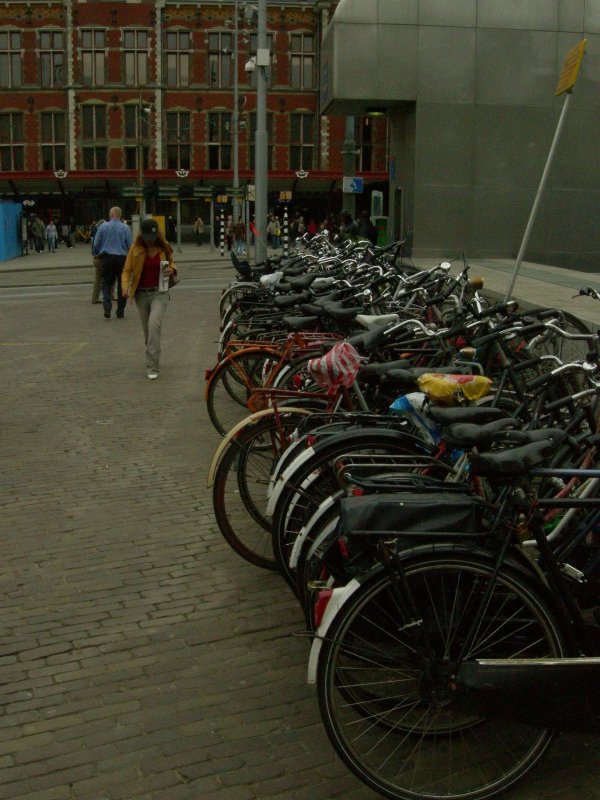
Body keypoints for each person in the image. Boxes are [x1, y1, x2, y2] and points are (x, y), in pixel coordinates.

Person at [121, 218, 178, 380]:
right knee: (148, 332)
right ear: (142, 235)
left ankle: (152, 366)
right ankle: (154, 350)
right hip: (141, 295)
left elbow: (172, 262)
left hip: (159, 292)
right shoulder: (135, 249)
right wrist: (125, 287)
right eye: (147, 237)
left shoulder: (163, 247)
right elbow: (126, 270)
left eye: (152, 237)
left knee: (154, 326)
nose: (149, 240)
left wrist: (172, 270)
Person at [92, 206, 132, 319]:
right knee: (122, 284)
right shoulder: (125, 228)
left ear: (112, 215)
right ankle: (120, 311)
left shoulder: (103, 226)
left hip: (107, 258)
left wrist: (96, 254)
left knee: (106, 283)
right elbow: (130, 245)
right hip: (122, 259)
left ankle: (107, 307)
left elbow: (96, 243)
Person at [90, 219, 104, 304]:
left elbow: (93, 248)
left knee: (98, 279)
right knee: (109, 277)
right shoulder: (101, 234)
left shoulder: (96, 234)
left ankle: (95, 298)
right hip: (101, 258)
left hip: (96, 258)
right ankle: (110, 295)